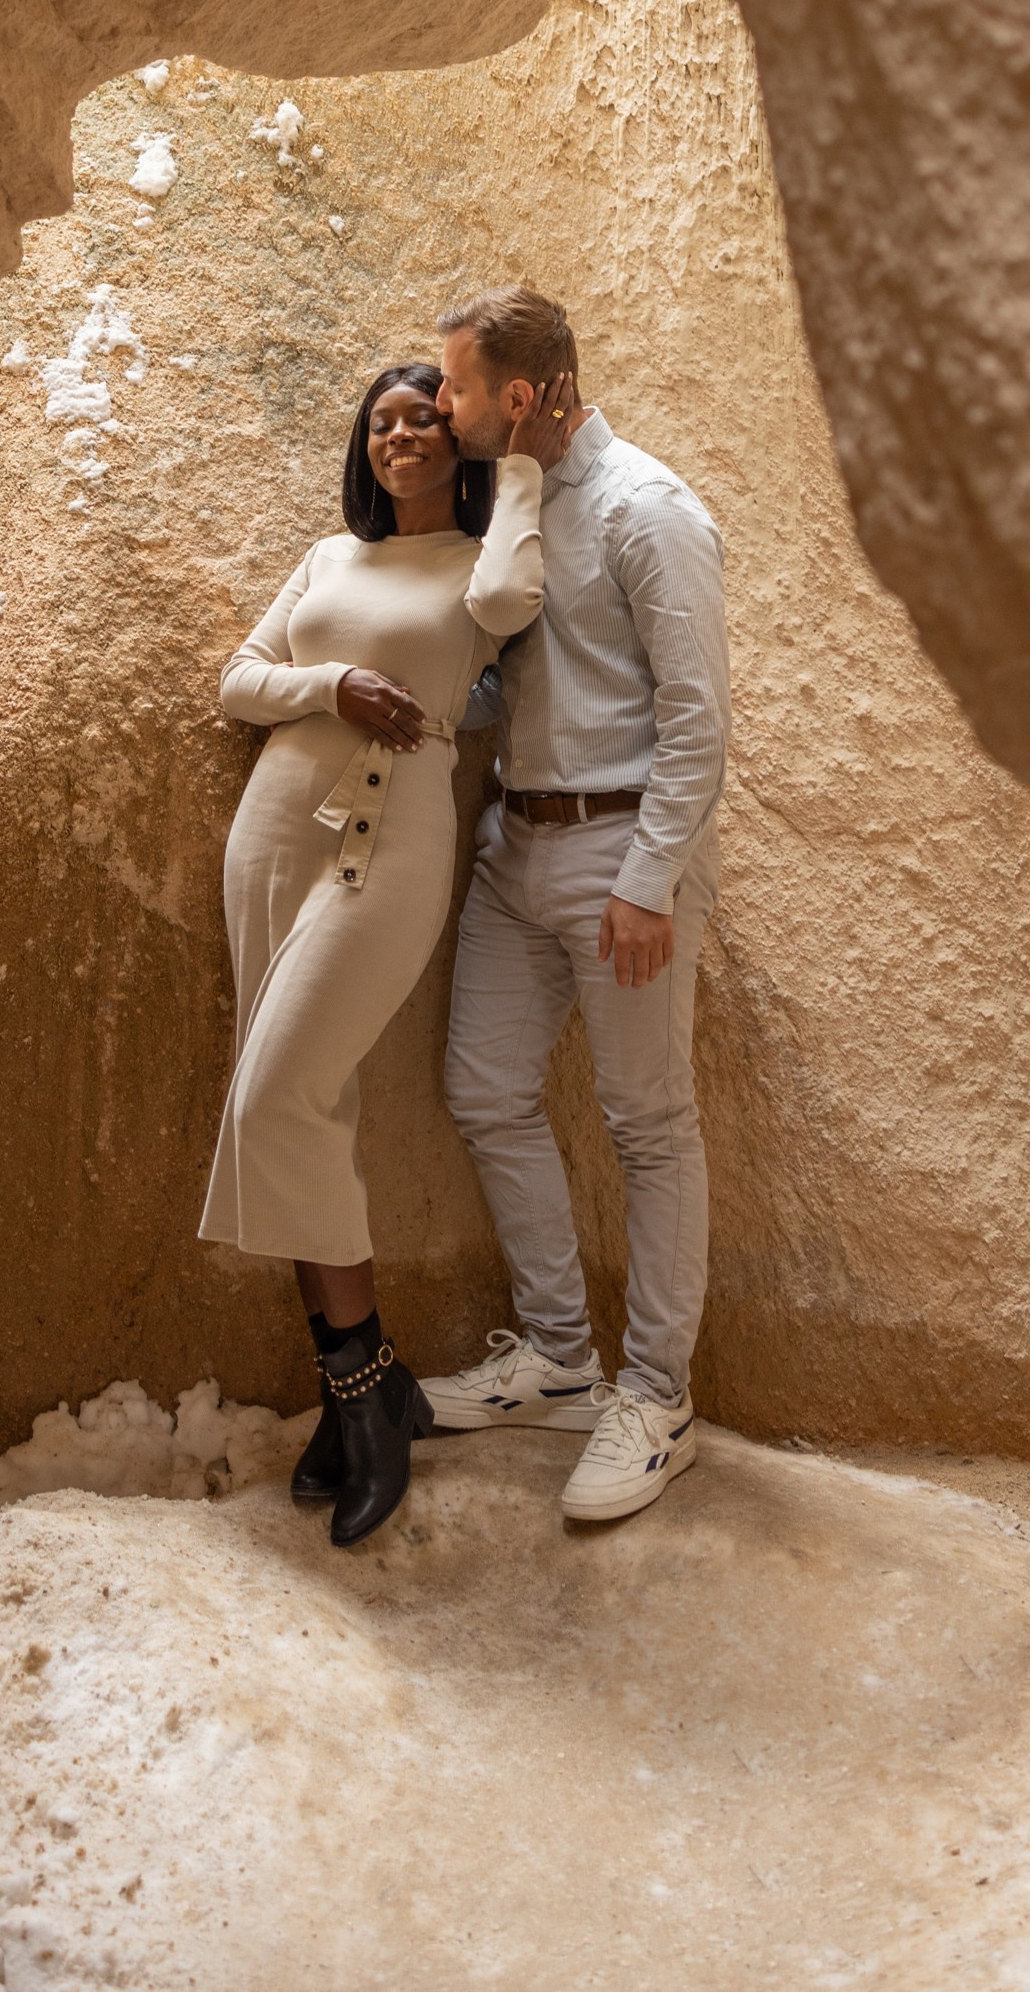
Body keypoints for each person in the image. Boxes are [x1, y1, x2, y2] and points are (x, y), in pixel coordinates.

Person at [200, 360, 554, 1545]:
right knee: (316, 1109)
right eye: (383, 421)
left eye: (423, 417)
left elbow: (508, 602)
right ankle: (365, 1399)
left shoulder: (479, 565)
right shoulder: (327, 554)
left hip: (392, 840)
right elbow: (238, 681)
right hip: (273, 832)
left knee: (277, 1098)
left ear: (455, 440)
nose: (400, 434)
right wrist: (333, 683)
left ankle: (365, 1389)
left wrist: (509, 474)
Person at [422, 286, 728, 1524]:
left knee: (647, 1121)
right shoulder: (513, 504)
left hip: (624, 856)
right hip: (516, 846)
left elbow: (698, 716)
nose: (442, 406)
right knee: (483, 1086)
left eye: (457, 386)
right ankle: (557, 1360)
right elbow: (519, 688)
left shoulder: (651, 508)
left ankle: (658, 1401)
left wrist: (651, 879)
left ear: (526, 394)